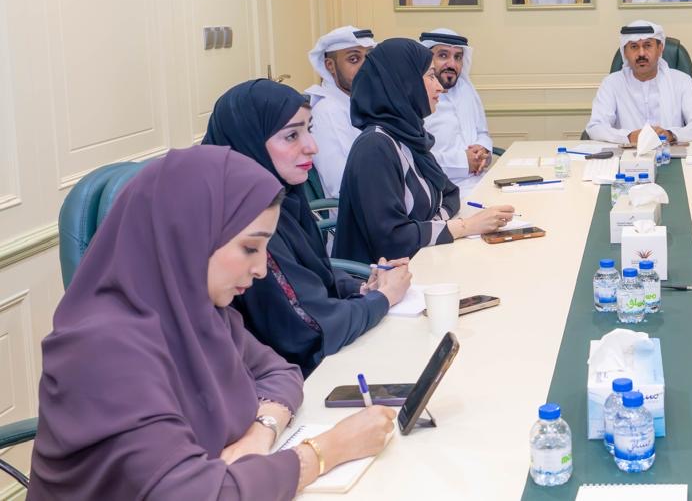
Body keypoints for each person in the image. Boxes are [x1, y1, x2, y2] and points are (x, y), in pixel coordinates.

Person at [27, 146, 396, 500]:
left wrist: (261, 432)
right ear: (187, 236)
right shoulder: (100, 348)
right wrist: (325, 451)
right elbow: (191, 494)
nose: (260, 268)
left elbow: (280, 372)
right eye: (249, 248)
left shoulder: (200, 312)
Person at [203, 79, 413, 377]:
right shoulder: (245, 221)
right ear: (250, 140)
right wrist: (384, 297)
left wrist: (361, 288)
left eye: (309, 130)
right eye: (291, 136)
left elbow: (313, 273)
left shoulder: (286, 197)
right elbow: (310, 329)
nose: (312, 147)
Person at [335, 38, 513, 264]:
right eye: (430, 76)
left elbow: (450, 194)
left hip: (421, 259)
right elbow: (392, 240)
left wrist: (432, 226)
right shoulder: (375, 147)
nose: (439, 86)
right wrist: (464, 226)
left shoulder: (409, 135)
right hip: (381, 277)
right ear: (404, 82)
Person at [586, 20, 692, 145]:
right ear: (625, 52)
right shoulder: (611, 84)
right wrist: (629, 137)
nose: (641, 53)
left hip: (669, 152)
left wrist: (671, 134)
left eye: (647, 46)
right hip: (627, 153)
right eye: (634, 47)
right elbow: (596, 127)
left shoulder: (682, 81)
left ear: (660, 49)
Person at [420, 29, 493, 198]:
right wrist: (464, 162)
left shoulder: (466, 88)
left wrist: (483, 151)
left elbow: (482, 133)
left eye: (458, 57)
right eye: (443, 55)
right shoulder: (417, 97)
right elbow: (416, 159)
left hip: (481, 181)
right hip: (441, 192)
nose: (452, 64)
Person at [306, 26, 376, 198]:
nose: (365, 67)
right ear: (330, 65)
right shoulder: (327, 111)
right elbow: (341, 183)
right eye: (354, 59)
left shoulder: (362, 102)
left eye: (369, 58)